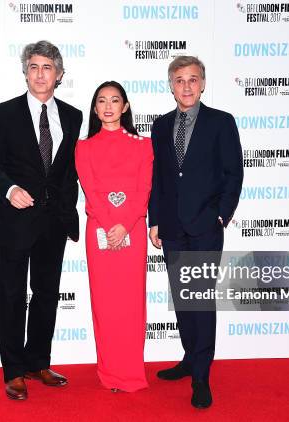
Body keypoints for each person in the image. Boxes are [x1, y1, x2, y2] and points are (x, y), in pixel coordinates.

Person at [0, 40, 83, 401]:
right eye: (34, 67)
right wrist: (8, 190)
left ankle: (39, 361)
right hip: (14, 221)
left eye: (47, 67)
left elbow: (68, 171)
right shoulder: (3, 113)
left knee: (46, 296)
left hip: (53, 223)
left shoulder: (72, 116)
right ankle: (14, 370)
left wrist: (69, 213)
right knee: (10, 296)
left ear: (59, 74)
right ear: (25, 72)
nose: (40, 74)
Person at [148, 56, 243, 409]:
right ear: (170, 85)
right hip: (171, 227)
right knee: (183, 297)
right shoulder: (160, 126)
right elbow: (157, 178)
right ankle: (190, 358)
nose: (186, 86)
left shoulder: (221, 122)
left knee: (200, 300)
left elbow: (234, 173)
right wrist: (154, 220)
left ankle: (201, 375)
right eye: (178, 80)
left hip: (205, 225)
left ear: (202, 83)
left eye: (192, 79)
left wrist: (221, 215)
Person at [75, 81, 153, 392]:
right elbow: (90, 191)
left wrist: (125, 224)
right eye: (102, 101)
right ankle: (109, 373)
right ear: (95, 109)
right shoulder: (84, 147)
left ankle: (132, 373)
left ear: (125, 106)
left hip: (132, 229)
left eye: (115, 100)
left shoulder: (143, 145)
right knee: (105, 305)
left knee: (131, 303)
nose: (108, 106)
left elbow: (143, 189)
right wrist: (111, 225)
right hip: (100, 231)